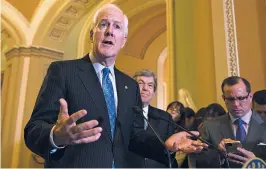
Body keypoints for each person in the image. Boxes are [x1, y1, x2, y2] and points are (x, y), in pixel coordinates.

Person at [24, 4, 206, 168]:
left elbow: (135, 136)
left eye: (117, 27)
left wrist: (166, 144)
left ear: (123, 40)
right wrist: (56, 136)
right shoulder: (63, 71)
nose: (110, 31)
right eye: (103, 24)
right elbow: (33, 129)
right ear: (92, 34)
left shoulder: (129, 85)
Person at [195, 76, 266, 168]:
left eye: (241, 98)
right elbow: (200, 162)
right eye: (231, 99)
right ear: (224, 98)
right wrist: (220, 155)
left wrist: (258, 164)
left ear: (250, 97)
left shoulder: (263, 123)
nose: (236, 104)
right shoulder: (210, 126)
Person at [126, 69, 178, 168]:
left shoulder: (165, 117)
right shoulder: (122, 114)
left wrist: (171, 150)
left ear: (154, 93)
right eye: (140, 83)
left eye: (150, 85)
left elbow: (170, 153)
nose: (145, 88)